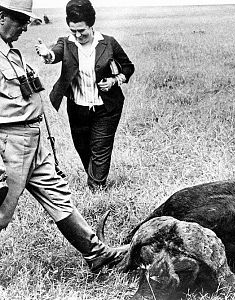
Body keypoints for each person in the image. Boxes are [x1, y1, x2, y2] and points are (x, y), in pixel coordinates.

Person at [0, 0, 127, 274]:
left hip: (33, 143)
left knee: (59, 198)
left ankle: (97, 254)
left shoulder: (10, 53)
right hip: (8, 149)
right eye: (20, 20)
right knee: (1, 212)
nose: (25, 26)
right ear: (1, 17)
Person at [35, 0, 135, 191]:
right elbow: (54, 54)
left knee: (100, 148)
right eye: (74, 31)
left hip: (106, 107)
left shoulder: (109, 42)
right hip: (77, 108)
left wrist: (115, 80)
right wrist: (47, 55)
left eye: (82, 30)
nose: (78, 35)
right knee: (83, 148)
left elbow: (128, 67)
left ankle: (96, 189)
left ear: (91, 25)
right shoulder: (66, 43)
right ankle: (95, 177)